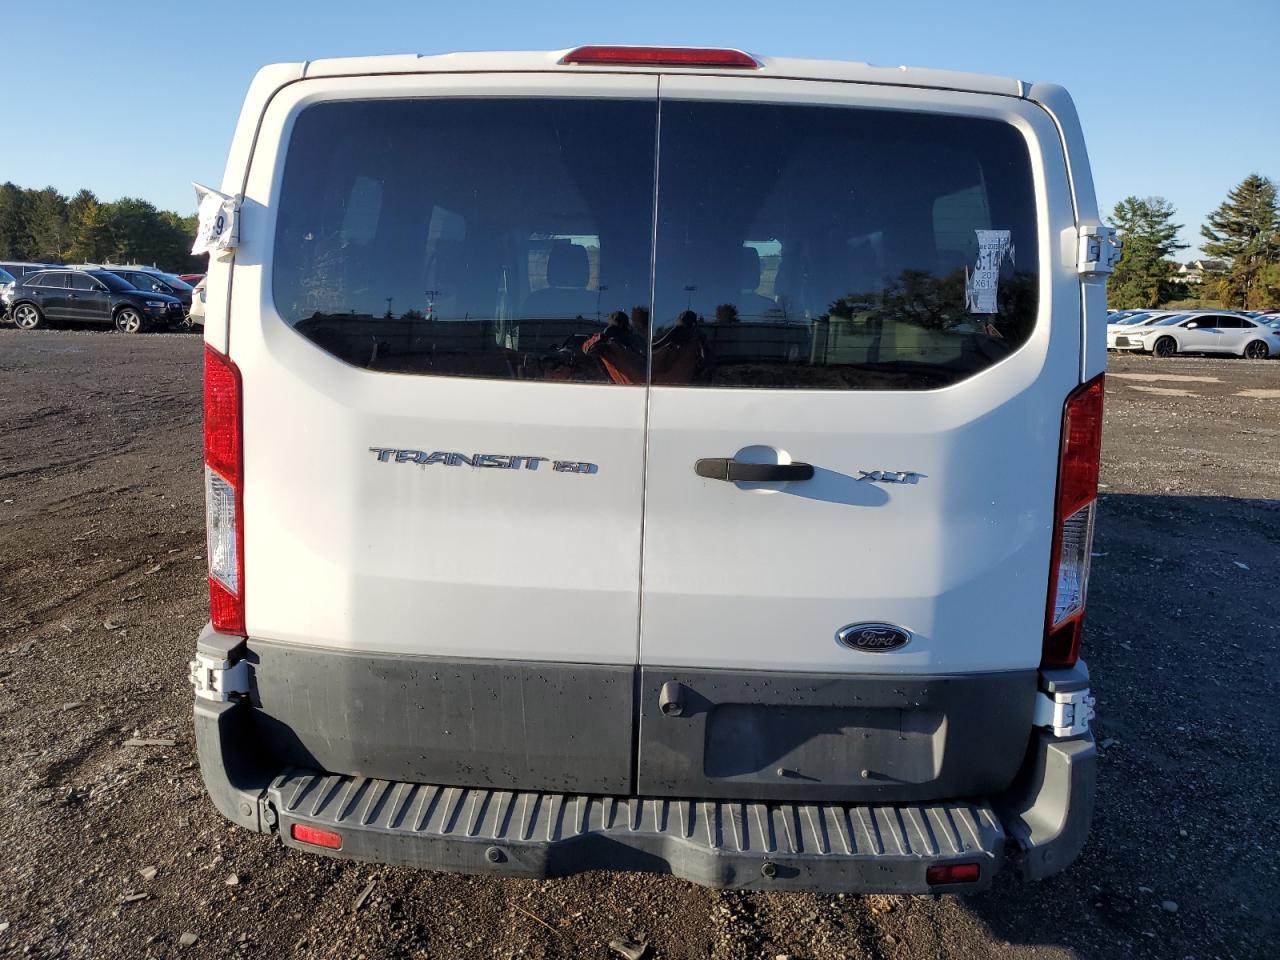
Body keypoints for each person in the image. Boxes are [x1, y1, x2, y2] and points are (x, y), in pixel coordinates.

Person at [582, 310, 645, 385]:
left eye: (623, 330)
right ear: (610, 328)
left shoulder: (635, 343)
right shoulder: (605, 345)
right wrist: (602, 337)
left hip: (641, 386)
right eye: (616, 330)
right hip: (619, 389)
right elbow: (587, 349)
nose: (619, 334)